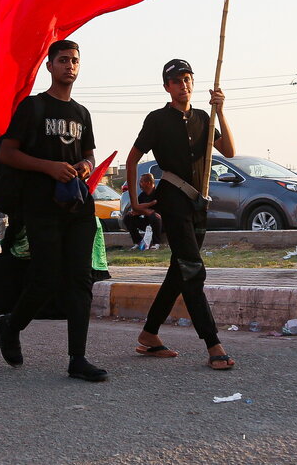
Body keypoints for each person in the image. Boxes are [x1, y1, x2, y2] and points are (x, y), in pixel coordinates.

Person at [0, 40, 107, 382]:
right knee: (45, 278)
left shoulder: (82, 113)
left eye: (74, 60)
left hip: (77, 207)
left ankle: (78, 358)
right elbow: (7, 154)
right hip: (41, 207)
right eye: (62, 60)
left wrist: (86, 166)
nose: (69, 66)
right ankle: (11, 325)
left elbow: (88, 153)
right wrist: (48, 167)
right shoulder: (33, 107)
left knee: (80, 279)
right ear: (50, 66)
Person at [124, 59, 236, 370]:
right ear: (167, 87)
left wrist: (221, 110)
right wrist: (135, 202)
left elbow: (228, 151)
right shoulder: (157, 119)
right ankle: (213, 344)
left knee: (179, 273)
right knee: (193, 270)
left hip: (199, 203)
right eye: (176, 81)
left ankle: (149, 335)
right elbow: (132, 160)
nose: (182, 85)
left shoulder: (204, 116)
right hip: (172, 201)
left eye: (187, 79)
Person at [122, 173, 162, 249]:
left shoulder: (159, 194)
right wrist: (138, 211)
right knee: (128, 217)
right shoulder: (142, 196)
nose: (140, 184)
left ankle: (156, 243)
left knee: (154, 216)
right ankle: (138, 242)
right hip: (147, 222)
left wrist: (146, 211)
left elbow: (158, 209)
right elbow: (136, 208)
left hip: (160, 223)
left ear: (148, 183)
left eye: (141, 182)